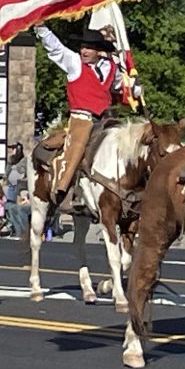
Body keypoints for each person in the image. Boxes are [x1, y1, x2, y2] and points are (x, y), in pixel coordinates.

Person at [34, 23, 121, 231]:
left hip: (106, 119)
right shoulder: (74, 63)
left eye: (89, 47)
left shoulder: (111, 68)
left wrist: (135, 88)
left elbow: (120, 86)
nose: (84, 51)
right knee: (78, 147)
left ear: (99, 51)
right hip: (81, 119)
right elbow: (57, 49)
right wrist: (42, 30)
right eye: (83, 46)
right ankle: (64, 190)